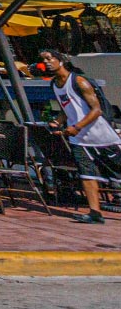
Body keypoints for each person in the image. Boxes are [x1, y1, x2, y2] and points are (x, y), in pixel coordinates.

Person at [37, 50, 121, 224]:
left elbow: (96, 110)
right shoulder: (54, 84)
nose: (46, 62)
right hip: (79, 140)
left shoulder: (79, 81)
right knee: (87, 175)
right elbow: (66, 108)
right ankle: (95, 213)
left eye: (49, 58)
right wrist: (58, 122)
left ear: (61, 61)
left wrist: (77, 127)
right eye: (43, 60)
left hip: (101, 137)